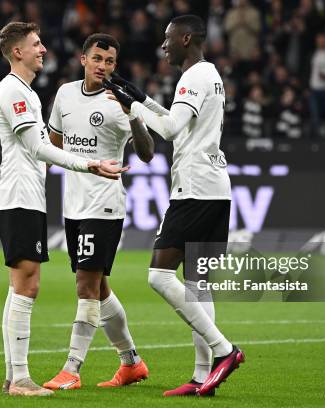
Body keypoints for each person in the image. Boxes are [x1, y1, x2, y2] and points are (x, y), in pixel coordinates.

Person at [104, 15, 244, 397]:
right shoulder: (209, 74)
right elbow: (176, 119)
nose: (163, 45)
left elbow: (167, 131)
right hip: (215, 188)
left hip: (195, 190)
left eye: (167, 39)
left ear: (186, 38)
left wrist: (132, 107)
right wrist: (143, 98)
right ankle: (203, 378)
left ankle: (224, 351)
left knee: (159, 276)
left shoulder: (193, 77)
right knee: (199, 288)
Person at [0, 22, 128, 397]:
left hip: (24, 195)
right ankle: (20, 379)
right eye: (36, 44)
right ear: (17, 51)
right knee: (27, 286)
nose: (43, 50)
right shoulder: (15, 92)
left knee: (21, 286)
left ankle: (12, 375)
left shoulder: (23, 92)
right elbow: (38, 147)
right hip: (19, 195)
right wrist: (89, 164)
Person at [42, 33, 153, 391]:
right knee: (100, 287)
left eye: (109, 62)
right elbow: (53, 146)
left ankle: (72, 369)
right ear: (83, 59)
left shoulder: (119, 102)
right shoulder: (65, 95)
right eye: (98, 59)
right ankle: (131, 363)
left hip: (104, 204)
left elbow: (147, 152)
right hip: (73, 203)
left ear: (114, 67)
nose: (103, 67)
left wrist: (132, 114)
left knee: (86, 286)